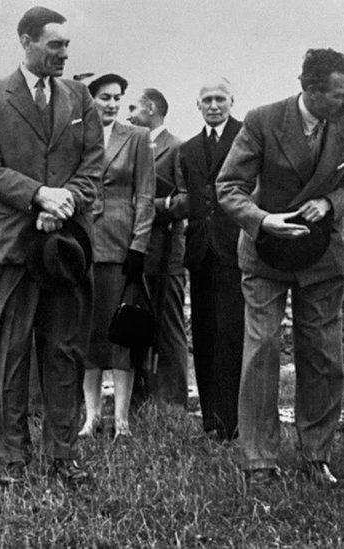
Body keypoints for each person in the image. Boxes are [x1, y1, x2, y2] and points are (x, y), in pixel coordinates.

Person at [0, 6, 103, 486]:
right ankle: (8, 459)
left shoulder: (80, 97)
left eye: (66, 45)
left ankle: (63, 456)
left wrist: (65, 203)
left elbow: (93, 164)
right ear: (26, 41)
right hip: (11, 244)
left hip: (65, 246)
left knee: (64, 349)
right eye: (54, 45)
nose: (64, 53)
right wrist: (38, 195)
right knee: (8, 351)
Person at [216, 48, 344, 486]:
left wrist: (329, 202)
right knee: (262, 351)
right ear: (310, 90)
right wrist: (263, 221)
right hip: (266, 255)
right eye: (341, 94)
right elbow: (229, 187)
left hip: (323, 258)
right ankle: (259, 459)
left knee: (322, 354)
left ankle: (317, 454)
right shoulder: (263, 120)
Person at [79, 73, 155, 439]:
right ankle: (91, 417)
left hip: (120, 245)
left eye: (118, 98)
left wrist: (139, 246)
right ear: (90, 99)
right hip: (82, 244)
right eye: (104, 97)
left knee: (121, 333)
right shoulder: (76, 134)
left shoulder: (137, 138)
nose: (111, 104)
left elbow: (144, 195)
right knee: (90, 334)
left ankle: (121, 420)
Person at [181, 79, 244, 441]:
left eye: (220, 99)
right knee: (204, 336)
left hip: (234, 250)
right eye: (207, 100)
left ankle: (231, 420)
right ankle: (210, 420)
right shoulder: (189, 149)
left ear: (231, 101)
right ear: (198, 105)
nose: (214, 105)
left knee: (231, 334)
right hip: (201, 252)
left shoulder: (244, 138)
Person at [127, 88, 189, 407]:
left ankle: (174, 401)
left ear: (151, 108)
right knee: (137, 323)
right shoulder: (134, 145)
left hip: (166, 251)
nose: (129, 114)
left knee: (169, 325)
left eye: (133, 107)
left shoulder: (177, 148)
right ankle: (141, 397)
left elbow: (187, 199)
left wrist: (151, 205)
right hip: (137, 249)